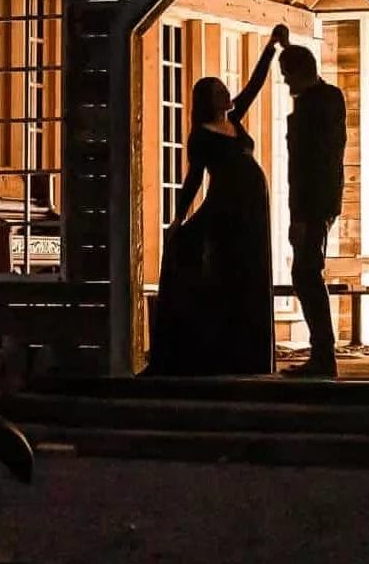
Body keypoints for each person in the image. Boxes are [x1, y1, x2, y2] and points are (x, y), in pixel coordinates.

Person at [145, 28, 284, 376]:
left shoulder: (234, 121)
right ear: (208, 100)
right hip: (227, 207)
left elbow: (253, 86)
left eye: (225, 89)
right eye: (219, 91)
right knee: (227, 270)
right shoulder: (201, 135)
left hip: (253, 207)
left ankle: (251, 352)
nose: (226, 93)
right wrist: (178, 219)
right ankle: (217, 350)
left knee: (252, 271)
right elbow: (194, 179)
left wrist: (270, 49)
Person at [280, 41, 347, 378]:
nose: (286, 84)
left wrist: (301, 218)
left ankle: (323, 354)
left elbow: (308, 168)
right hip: (322, 203)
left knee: (305, 274)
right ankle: (323, 352)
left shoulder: (311, 109)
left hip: (313, 205)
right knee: (306, 274)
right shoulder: (331, 98)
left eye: (287, 76)